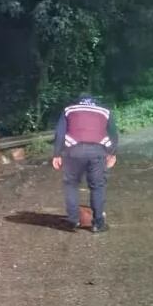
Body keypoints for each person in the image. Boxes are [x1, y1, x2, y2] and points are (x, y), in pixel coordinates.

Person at [52, 94, 118, 233]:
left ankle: (73, 220)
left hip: (73, 150)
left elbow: (60, 133)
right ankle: (98, 223)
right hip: (98, 151)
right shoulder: (105, 110)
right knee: (97, 186)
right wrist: (112, 153)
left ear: (78, 101)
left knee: (71, 184)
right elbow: (113, 134)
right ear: (95, 102)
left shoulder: (69, 109)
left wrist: (57, 154)